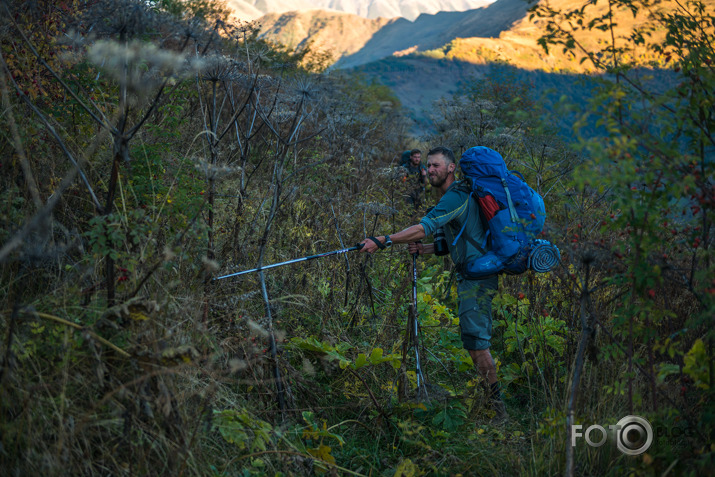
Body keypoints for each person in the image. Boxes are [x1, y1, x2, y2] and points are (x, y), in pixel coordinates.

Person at [359, 145, 507, 424]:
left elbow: (422, 226)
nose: (430, 170)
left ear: (451, 168)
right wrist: (426, 250)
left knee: (477, 344)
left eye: (436, 165)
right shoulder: (457, 195)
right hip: (472, 274)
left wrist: (383, 240)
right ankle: (491, 403)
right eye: (428, 165)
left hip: (477, 279)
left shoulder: (456, 196)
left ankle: (497, 411)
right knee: (475, 341)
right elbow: (455, 239)